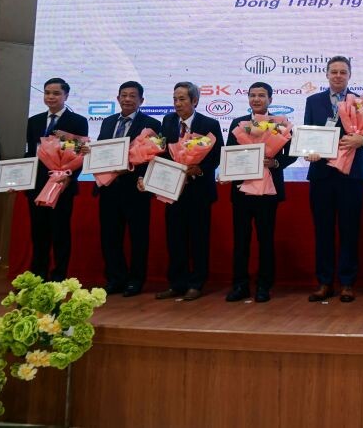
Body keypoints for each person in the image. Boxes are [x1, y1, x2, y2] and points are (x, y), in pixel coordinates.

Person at [303, 56, 363, 303]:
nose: (337, 76)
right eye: (333, 71)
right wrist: (308, 151)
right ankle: (324, 282)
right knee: (322, 230)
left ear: (349, 75)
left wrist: (362, 140)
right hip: (321, 174)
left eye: (342, 72)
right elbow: (307, 133)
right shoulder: (313, 101)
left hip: (351, 176)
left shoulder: (361, 102)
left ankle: (347, 283)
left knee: (350, 230)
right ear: (326, 74)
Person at [225, 82, 297, 303]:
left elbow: (293, 153)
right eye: (253, 95)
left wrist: (276, 162)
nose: (256, 99)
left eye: (261, 95)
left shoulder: (280, 124)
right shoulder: (238, 123)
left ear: (270, 99)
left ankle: (264, 286)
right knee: (241, 241)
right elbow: (229, 153)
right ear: (248, 98)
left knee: (266, 240)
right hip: (242, 190)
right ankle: (240, 285)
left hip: (269, 191)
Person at [152, 82, 223, 301]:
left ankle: (196, 283)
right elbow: (163, 152)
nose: (177, 103)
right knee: (175, 239)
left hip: (199, 191)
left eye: (182, 99)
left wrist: (199, 168)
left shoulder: (209, 123)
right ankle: (177, 283)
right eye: (175, 99)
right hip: (173, 190)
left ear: (195, 101)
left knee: (198, 239)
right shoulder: (168, 121)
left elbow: (217, 155)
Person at [96, 81, 160, 297]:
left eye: (133, 96)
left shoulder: (151, 123)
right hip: (109, 188)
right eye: (124, 95)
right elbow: (101, 150)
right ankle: (115, 278)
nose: (127, 99)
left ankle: (136, 280)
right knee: (110, 236)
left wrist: (133, 170)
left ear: (141, 100)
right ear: (117, 98)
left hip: (135, 189)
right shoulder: (108, 122)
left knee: (138, 237)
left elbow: (154, 157)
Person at [25, 77, 89, 280]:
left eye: (56, 93)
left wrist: (70, 177)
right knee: (38, 232)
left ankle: (59, 274)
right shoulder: (33, 121)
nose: (50, 97)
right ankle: (38, 274)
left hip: (62, 185)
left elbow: (80, 154)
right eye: (47, 93)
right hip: (36, 185)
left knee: (60, 232)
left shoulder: (78, 121)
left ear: (66, 96)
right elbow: (29, 154)